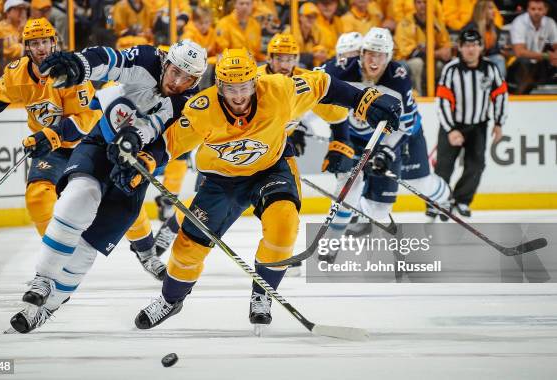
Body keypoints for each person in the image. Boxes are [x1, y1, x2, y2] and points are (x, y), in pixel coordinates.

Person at [126, 48, 401, 334]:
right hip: (222, 180)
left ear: (255, 82)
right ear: (219, 85)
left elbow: (323, 84)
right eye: (231, 88)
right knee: (187, 248)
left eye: (244, 86)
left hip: (272, 168)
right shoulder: (201, 108)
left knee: (284, 225)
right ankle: (170, 300)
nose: (239, 96)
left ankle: (263, 293)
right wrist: (145, 159)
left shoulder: (280, 90)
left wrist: (363, 99)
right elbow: (170, 144)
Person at [7, 39, 208, 334]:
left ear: (196, 80)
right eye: (175, 71)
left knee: (90, 245)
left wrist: (138, 149)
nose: (177, 82)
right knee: (78, 198)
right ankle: (43, 278)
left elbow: (165, 140)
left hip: (136, 167)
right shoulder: (147, 59)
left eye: (187, 78)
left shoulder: (191, 103)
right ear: (166, 62)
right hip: (101, 145)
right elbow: (110, 59)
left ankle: (46, 309)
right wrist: (81, 64)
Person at [0, 18, 101, 236]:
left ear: (54, 42)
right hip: (50, 149)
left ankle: (145, 248)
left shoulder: (71, 72)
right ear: (26, 46)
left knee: (113, 201)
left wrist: (52, 134)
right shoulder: (17, 72)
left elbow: (86, 118)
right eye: (35, 43)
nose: (41, 48)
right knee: (37, 198)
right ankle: (56, 251)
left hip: (85, 145)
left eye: (45, 42)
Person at [318, 27, 451, 244]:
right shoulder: (342, 70)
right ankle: (352, 219)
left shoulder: (398, 78)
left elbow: (404, 125)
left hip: (403, 134)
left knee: (420, 183)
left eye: (379, 54)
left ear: (388, 56)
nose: (373, 59)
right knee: (352, 183)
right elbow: (311, 85)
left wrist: (387, 151)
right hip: (361, 137)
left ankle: (445, 199)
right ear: (361, 54)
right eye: (370, 52)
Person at [257, 33, 349, 276]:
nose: (285, 64)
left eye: (290, 58)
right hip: (243, 152)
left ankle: (281, 252)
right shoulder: (255, 79)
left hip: (277, 154)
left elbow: (336, 115)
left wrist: (340, 143)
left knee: (287, 205)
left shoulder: (304, 81)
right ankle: (171, 231)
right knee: (211, 209)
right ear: (270, 58)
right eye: (280, 58)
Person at [435, 29, 508, 217]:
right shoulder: (451, 70)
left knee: (476, 165)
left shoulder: (491, 69)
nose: (471, 49)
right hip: (452, 125)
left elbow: (500, 95)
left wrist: (499, 123)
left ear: (481, 47)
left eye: (475, 44)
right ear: (459, 47)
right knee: (444, 166)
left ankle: (461, 200)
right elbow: (442, 101)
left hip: (478, 126)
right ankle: (439, 201)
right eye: (467, 45)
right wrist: (451, 129)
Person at [394, 0, 452, 95]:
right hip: (407, 63)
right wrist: (436, 53)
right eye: (419, 2)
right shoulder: (406, 23)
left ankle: (440, 95)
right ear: (414, 4)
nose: (422, 5)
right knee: (417, 63)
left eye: (425, 2)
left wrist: (446, 51)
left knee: (442, 66)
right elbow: (410, 52)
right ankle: (418, 96)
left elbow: (445, 45)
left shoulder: (436, 22)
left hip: (430, 61)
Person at [507, 0, 557, 94]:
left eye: (540, 9)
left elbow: (555, 44)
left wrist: (555, 56)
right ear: (528, 9)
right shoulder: (519, 22)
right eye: (533, 9)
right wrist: (547, 56)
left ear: (545, 10)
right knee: (525, 64)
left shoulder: (550, 23)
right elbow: (519, 52)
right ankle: (518, 97)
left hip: (539, 60)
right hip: (515, 61)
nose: (536, 12)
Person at [464, 0, 508, 78]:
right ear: (482, 11)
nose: (494, 11)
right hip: (472, 60)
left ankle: (498, 87)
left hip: (487, 58)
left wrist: (501, 50)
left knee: (499, 59)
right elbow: (467, 52)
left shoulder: (494, 29)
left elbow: (494, 51)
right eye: (490, 8)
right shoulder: (471, 28)